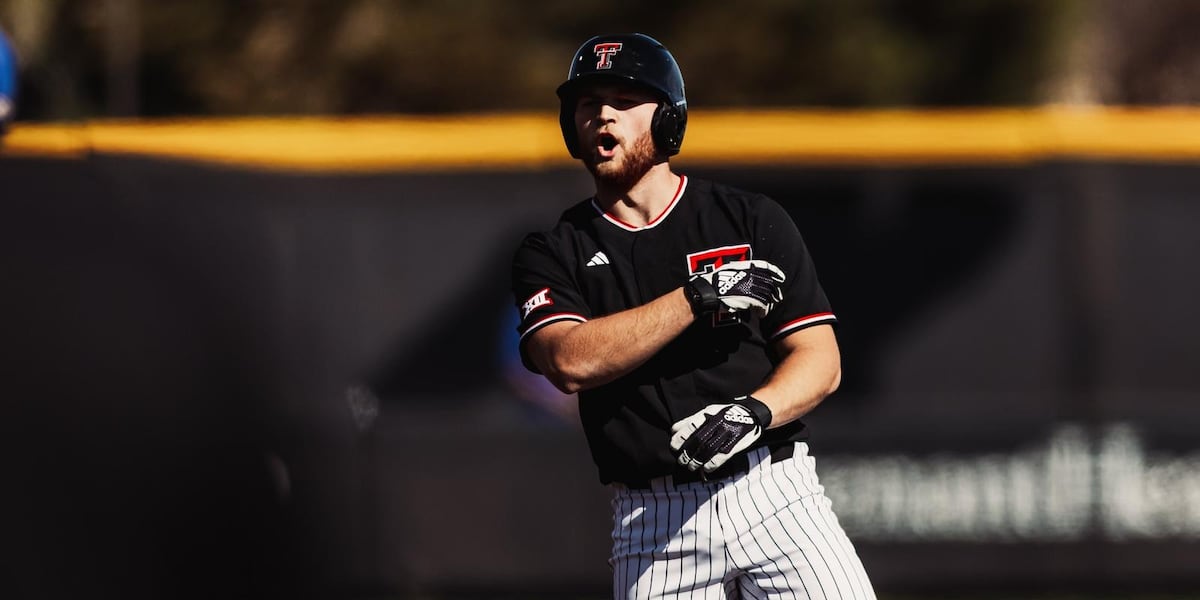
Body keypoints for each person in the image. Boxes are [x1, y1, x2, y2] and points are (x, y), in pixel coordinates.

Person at [510, 33, 875, 599]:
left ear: (670, 119)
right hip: (651, 520)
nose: (604, 113)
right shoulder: (553, 251)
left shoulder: (748, 218)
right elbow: (569, 360)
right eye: (587, 103)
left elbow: (820, 359)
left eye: (626, 98)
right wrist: (695, 296)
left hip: (772, 490)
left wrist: (753, 412)